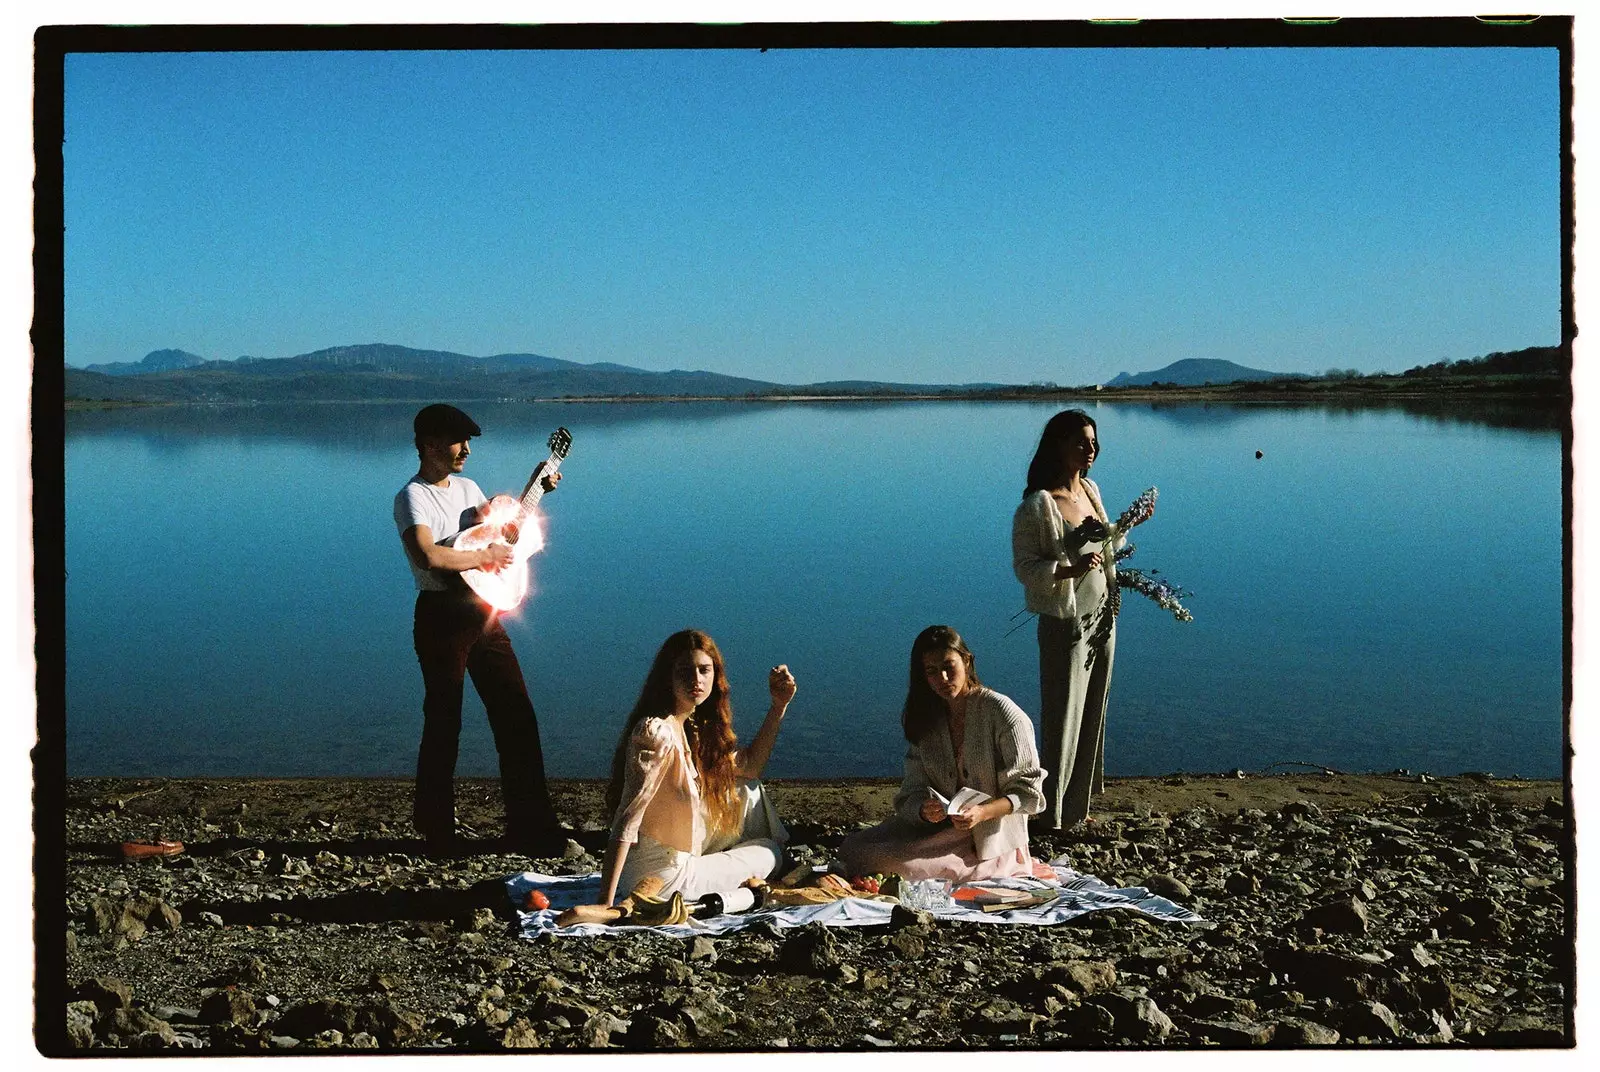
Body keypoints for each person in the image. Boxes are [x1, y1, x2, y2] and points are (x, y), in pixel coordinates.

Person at [394, 403, 565, 854]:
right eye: (457, 442)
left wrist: (536, 485)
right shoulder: (412, 497)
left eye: (468, 442)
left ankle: (531, 824)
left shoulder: (469, 487)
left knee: (517, 715)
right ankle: (437, 830)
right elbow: (429, 557)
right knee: (444, 722)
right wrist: (481, 559)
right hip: (441, 617)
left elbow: (502, 531)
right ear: (429, 445)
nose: (466, 450)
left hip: (484, 614)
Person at [595, 630, 796, 908]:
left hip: (678, 857)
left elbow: (749, 767)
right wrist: (605, 900)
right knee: (771, 852)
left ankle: (731, 861)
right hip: (664, 877)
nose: (696, 680)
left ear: (716, 675)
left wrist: (778, 706)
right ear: (668, 677)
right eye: (685, 671)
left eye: (704, 670)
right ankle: (754, 862)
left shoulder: (690, 727)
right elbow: (627, 816)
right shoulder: (657, 732)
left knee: (746, 788)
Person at [839, 625, 1046, 882]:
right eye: (932, 671)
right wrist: (924, 811)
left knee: (898, 867)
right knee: (853, 850)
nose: (944, 678)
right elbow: (910, 793)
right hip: (940, 832)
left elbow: (1029, 794)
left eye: (950, 667)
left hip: (989, 841)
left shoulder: (1003, 713)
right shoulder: (928, 719)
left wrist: (981, 813)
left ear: (967, 661)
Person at [1011, 408, 1136, 830]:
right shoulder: (1038, 504)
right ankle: (1049, 812)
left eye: (1095, 443)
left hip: (1103, 615)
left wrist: (1128, 525)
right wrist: (1063, 572)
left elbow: (1107, 543)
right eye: (1082, 441)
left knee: (1094, 706)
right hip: (1065, 619)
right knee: (1063, 713)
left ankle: (1077, 804)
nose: (1091, 450)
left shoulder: (1091, 490)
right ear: (1059, 444)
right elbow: (1026, 567)